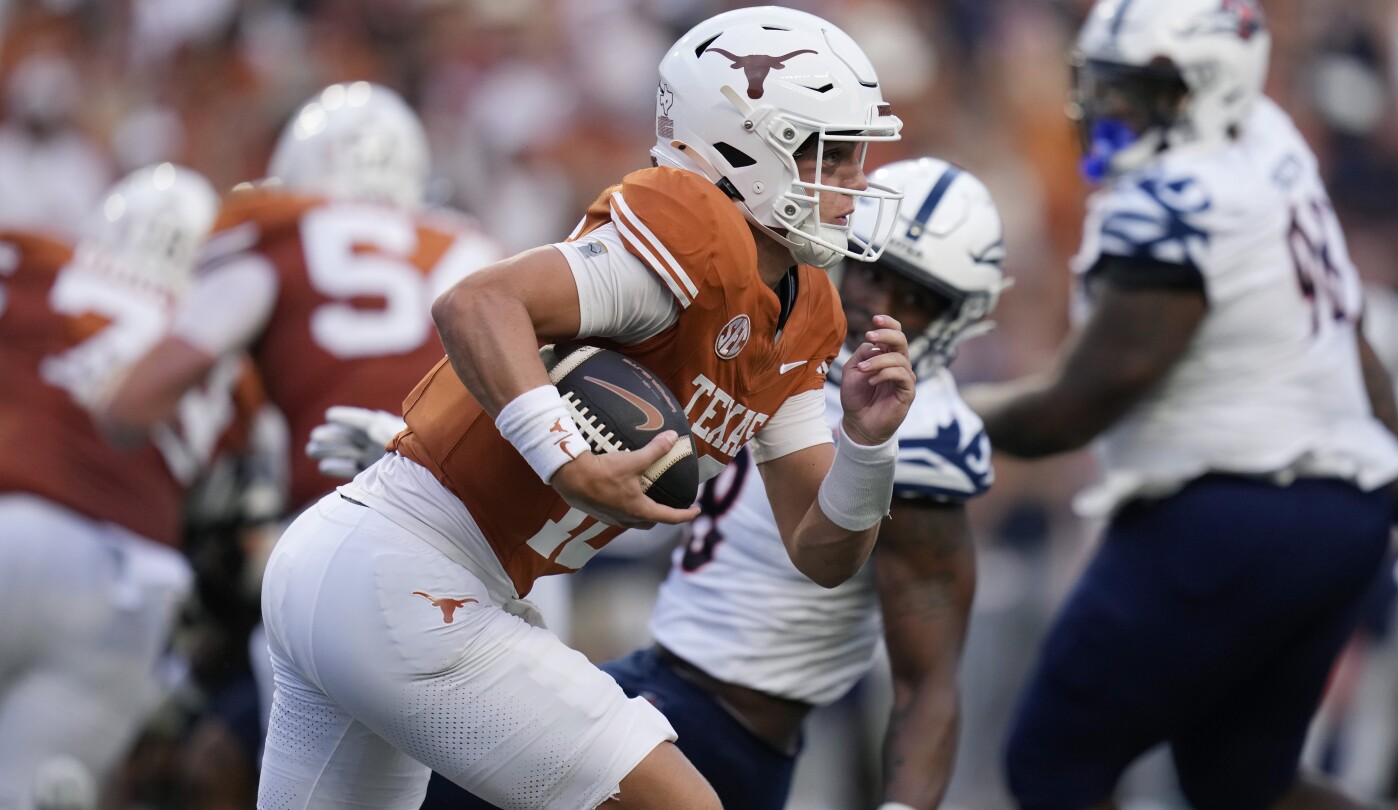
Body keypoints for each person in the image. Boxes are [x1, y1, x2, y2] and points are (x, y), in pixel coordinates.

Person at [253, 6, 915, 809]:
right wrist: (564, 456)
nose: (854, 179)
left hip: (376, 570)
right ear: (742, 144)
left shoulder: (805, 310)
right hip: (412, 570)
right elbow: (476, 303)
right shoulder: (693, 232)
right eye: (831, 153)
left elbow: (822, 552)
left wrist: (868, 451)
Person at [308, 157, 1007, 810]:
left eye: (913, 296)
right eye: (873, 273)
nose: (877, 301)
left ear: (958, 315)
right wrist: (439, 460)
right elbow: (638, 458)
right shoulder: (782, 343)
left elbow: (924, 680)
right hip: (659, 676)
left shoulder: (912, 433)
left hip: (730, 728)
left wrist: (869, 446)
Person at [961, 1, 1398, 808]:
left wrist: (944, 410)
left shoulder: (1173, 200)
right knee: (1245, 787)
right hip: (1339, 513)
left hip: (1228, 517)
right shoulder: (1268, 141)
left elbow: (1079, 404)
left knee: (1052, 763)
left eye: (1138, 93)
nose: (1111, 112)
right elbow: (1348, 339)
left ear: (1210, 87)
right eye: (1105, 87)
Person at [99, 80, 505, 518]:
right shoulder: (471, 243)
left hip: (347, 506)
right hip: (489, 515)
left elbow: (130, 407)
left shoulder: (278, 233)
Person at [0, 163, 224, 810]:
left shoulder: (38, 262)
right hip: (138, 587)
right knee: (32, 794)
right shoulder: (228, 349)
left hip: (16, 521)